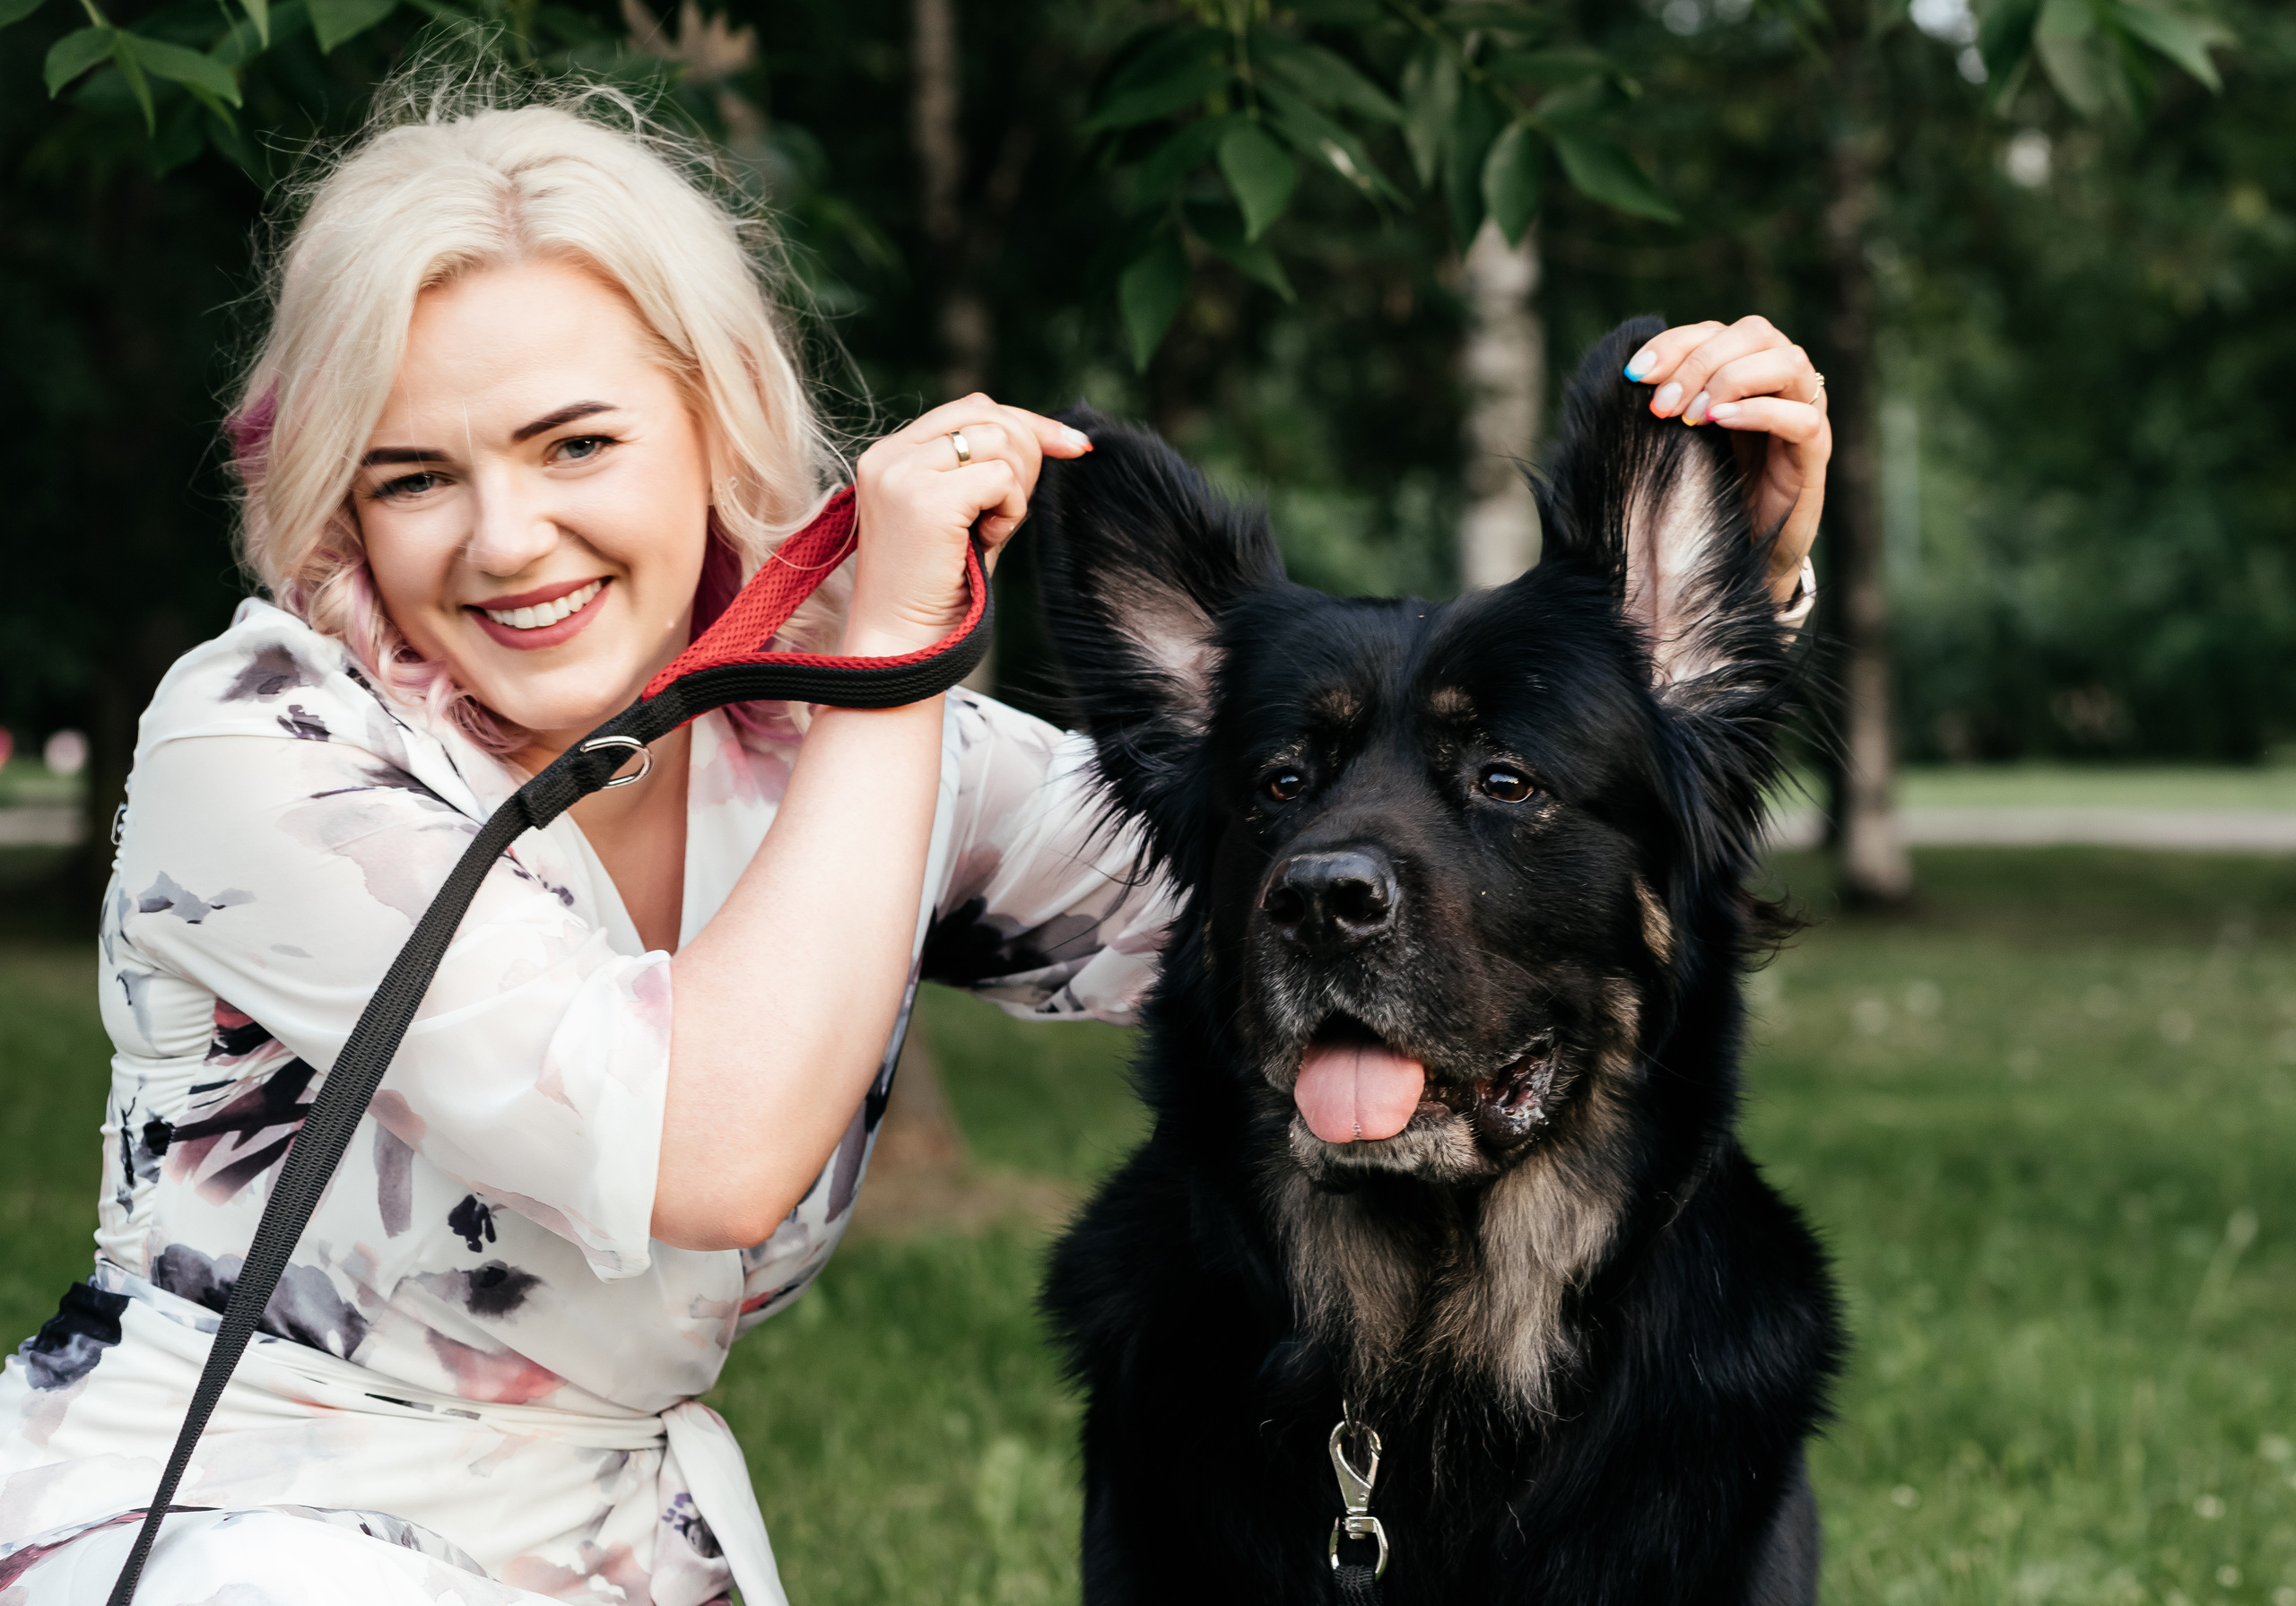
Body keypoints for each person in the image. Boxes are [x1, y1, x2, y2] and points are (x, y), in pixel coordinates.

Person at [0, 82, 1831, 1606]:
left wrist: (1699, 648)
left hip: (617, 1543)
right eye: (413, 474)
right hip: (236, 1525)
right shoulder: (260, 742)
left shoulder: (830, 745)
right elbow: (703, 1148)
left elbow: (1297, 889)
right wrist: (888, 647)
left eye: (574, 445)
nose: (504, 538)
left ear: (708, 427)